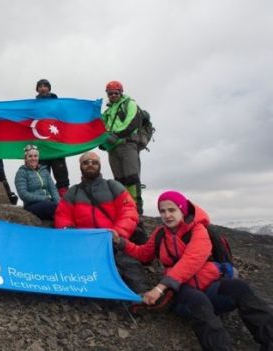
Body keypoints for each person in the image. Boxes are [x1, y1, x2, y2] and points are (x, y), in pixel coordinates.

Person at [112, 190, 273, 350]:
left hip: (210, 286)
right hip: (181, 291)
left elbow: (191, 260)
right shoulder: (160, 233)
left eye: (172, 210)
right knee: (199, 302)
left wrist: (159, 288)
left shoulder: (199, 231)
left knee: (240, 288)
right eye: (162, 211)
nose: (167, 215)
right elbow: (144, 253)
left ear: (182, 210)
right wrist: (121, 242)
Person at [54, 151, 149, 294]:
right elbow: (62, 217)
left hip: (113, 241)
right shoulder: (72, 192)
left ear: (100, 165)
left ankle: (143, 299)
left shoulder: (113, 186)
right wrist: (73, 236)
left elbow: (128, 211)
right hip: (86, 245)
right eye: (86, 162)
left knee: (129, 266)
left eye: (94, 162)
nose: (90, 165)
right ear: (80, 166)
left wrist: (118, 233)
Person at [101, 80, 143, 214]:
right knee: (119, 179)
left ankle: (136, 208)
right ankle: (123, 206)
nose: (113, 96)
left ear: (121, 93)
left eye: (115, 93)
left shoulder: (129, 104)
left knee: (131, 177)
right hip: (112, 148)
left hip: (127, 144)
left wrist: (116, 135)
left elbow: (132, 121)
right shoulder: (108, 111)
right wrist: (103, 142)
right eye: (110, 93)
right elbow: (101, 127)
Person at [35, 79, 70, 197]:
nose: (43, 88)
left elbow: (67, 118)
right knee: (42, 173)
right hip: (42, 146)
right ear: (37, 89)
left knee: (60, 172)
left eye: (45, 86)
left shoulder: (58, 104)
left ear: (49, 88)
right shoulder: (32, 105)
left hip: (56, 144)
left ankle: (64, 195)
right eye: (40, 86)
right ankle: (45, 197)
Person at [14, 145, 60, 221]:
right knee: (49, 206)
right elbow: (23, 194)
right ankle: (63, 224)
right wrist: (43, 198)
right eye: (30, 156)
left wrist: (59, 204)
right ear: (25, 158)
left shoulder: (44, 171)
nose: (33, 158)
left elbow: (53, 189)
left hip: (48, 202)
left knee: (64, 206)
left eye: (35, 156)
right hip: (31, 205)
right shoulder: (21, 173)